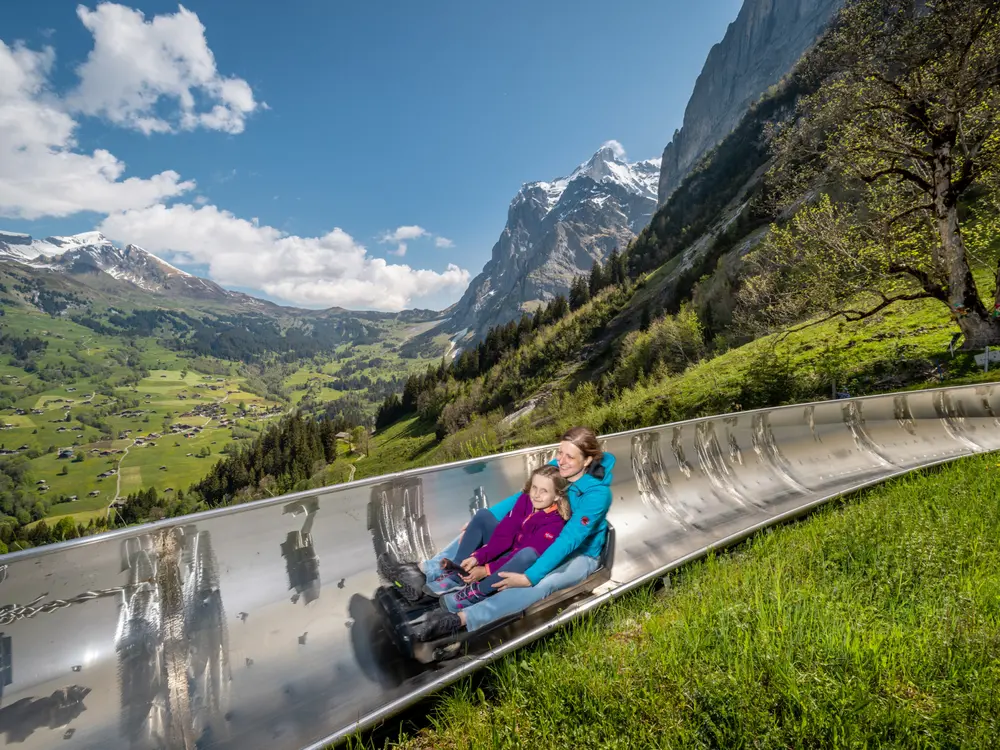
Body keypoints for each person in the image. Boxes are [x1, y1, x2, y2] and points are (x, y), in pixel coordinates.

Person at [381, 426, 615, 643]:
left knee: (543, 583)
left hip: (579, 554)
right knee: (483, 522)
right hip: (538, 537)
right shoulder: (558, 468)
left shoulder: (597, 495)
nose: (561, 460)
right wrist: (483, 521)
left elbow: (568, 541)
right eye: (560, 452)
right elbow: (522, 498)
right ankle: (428, 571)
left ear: (587, 460)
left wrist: (530, 577)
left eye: (569, 457)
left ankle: (462, 618)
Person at [436, 464, 571, 612]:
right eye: (534, 487)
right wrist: (478, 557)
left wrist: (486, 570)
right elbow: (504, 535)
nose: (536, 495)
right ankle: (457, 572)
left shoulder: (555, 523)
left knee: (527, 554)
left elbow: (521, 554)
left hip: (519, 563)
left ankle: (479, 591)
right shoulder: (526, 500)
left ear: (557, 495)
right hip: (508, 550)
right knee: (483, 516)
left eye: (544, 491)